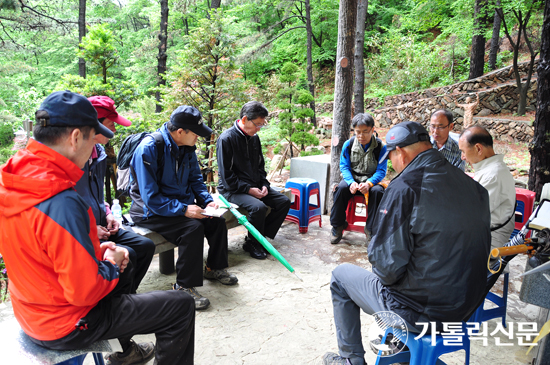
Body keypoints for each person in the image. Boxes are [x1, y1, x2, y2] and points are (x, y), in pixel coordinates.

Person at [0, 91, 195, 365]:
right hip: (67, 324)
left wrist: (96, 251)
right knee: (180, 306)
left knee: (127, 260)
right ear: (76, 137)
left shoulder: (14, 180)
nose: (95, 145)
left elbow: (41, 248)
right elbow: (84, 291)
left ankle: (124, 352)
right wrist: (110, 264)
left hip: (33, 309)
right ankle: (126, 349)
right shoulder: (60, 200)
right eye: (93, 137)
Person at [322, 121, 490, 365]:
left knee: (341, 276)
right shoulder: (475, 188)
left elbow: (386, 268)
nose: (391, 163)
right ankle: (404, 353)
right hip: (466, 309)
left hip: (420, 311)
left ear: (399, 152)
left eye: (390, 157)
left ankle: (351, 361)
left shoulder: (405, 187)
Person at [129, 105, 238, 310]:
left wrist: (206, 201)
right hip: (150, 211)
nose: (199, 137)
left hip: (177, 205)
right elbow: (150, 198)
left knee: (216, 220)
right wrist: (184, 210)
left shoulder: (187, 147)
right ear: (180, 131)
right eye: (196, 133)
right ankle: (183, 287)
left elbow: (196, 179)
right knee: (192, 229)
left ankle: (214, 268)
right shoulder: (149, 148)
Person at [74, 95, 155, 294]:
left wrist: (108, 213)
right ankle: (118, 301)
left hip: (103, 224)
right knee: (130, 254)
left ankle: (127, 295)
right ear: (94, 126)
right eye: (111, 124)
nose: (115, 129)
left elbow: (98, 195)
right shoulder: (74, 159)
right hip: (83, 230)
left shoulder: (99, 153)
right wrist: (91, 228)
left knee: (145, 246)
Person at [216, 101, 291, 260]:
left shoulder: (254, 138)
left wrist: (264, 184)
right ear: (244, 120)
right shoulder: (226, 139)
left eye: (262, 125)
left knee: (283, 201)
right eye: (257, 124)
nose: (259, 129)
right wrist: (248, 189)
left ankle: (261, 238)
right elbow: (226, 177)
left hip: (254, 185)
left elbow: (260, 167)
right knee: (258, 207)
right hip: (232, 190)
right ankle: (252, 242)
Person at [330, 113, 387, 244]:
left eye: (365, 132)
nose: (361, 136)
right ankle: (337, 225)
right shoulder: (348, 145)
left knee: (378, 192)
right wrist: (351, 182)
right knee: (340, 189)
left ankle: (371, 228)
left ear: (373, 130)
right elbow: (344, 167)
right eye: (358, 132)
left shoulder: (381, 147)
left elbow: (381, 171)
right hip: (353, 178)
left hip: (372, 180)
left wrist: (369, 183)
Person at [459, 125, 516, 249]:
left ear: (478, 148)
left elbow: (470, 215)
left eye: (463, 151)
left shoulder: (493, 175)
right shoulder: (490, 169)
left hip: (487, 244)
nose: (462, 157)